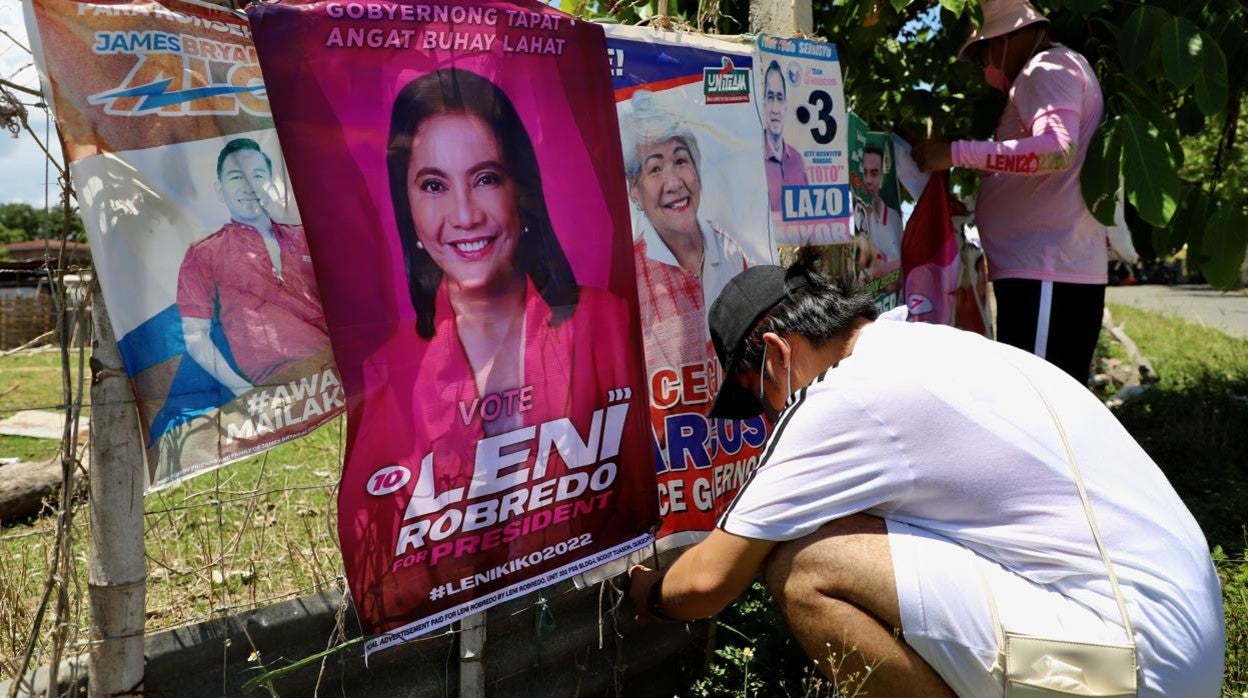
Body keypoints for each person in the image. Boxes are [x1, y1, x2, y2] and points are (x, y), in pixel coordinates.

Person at [626, 250, 1224, 697]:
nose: (768, 418)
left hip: (1136, 668)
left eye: (760, 400)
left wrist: (646, 594)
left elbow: (708, 583)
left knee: (804, 564)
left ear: (779, 355)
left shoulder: (842, 399)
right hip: (1180, 643)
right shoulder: (925, 348)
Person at [912, 0, 1106, 383]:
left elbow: (1056, 149)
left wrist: (955, 153)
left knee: (1043, 410)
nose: (987, 64)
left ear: (1011, 36)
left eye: (985, 49)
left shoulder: (1046, 70)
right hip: (1040, 270)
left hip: (1047, 269)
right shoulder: (1043, 73)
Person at [177, 137, 330, 396]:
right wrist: (243, 391)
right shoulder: (204, 253)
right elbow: (195, 337)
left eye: (257, 175)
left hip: (334, 374)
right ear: (219, 188)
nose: (248, 185)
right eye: (236, 177)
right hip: (273, 386)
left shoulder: (308, 239)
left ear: (271, 184)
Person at [619, 91, 750, 376]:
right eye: (654, 169)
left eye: (681, 161)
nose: (674, 182)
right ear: (634, 190)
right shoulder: (628, 277)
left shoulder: (731, 252)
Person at [762, 60, 808, 216]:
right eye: (770, 97)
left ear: (786, 106)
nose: (775, 108)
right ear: (763, 105)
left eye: (779, 98)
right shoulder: (751, 157)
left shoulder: (798, 161)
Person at [862, 143, 903, 277]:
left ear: (882, 177)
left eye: (874, 174)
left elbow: (896, 275)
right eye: (864, 173)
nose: (868, 180)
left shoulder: (892, 218)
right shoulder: (855, 216)